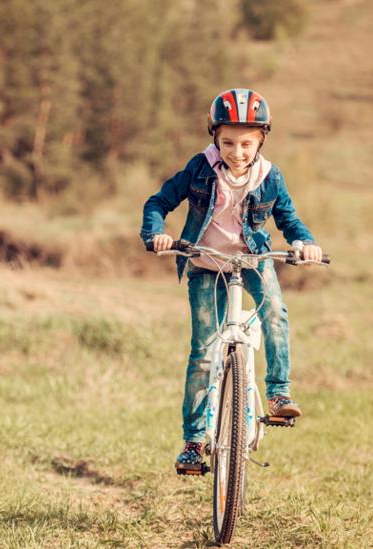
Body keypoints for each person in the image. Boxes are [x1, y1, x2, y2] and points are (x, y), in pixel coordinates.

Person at [139, 88, 323, 473]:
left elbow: (287, 218)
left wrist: (304, 242)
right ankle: (194, 441)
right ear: (214, 138)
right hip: (206, 264)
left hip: (253, 261)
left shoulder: (270, 177)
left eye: (245, 143)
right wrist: (156, 234)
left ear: (261, 140)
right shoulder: (200, 168)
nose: (236, 152)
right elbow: (158, 202)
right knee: (204, 352)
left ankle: (278, 395)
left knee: (274, 311)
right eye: (227, 142)